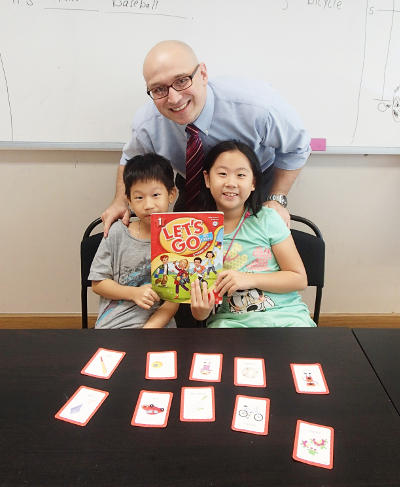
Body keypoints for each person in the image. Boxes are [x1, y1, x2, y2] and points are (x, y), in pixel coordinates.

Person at [101, 40, 311, 236]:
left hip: (251, 182)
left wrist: (276, 198)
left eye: (182, 80)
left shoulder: (258, 106)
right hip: (192, 181)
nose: (174, 99)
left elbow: (297, 147)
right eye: (159, 89)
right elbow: (130, 160)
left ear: (202, 73)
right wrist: (120, 201)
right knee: (186, 251)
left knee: (251, 246)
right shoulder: (147, 123)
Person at [190, 140, 316, 328]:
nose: (231, 183)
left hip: (287, 317)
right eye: (222, 174)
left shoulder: (268, 219)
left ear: (253, 182)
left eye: (241, 175)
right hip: (231, 323)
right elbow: (201, 314)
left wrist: (247, 279)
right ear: (207, 179)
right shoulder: (195, 231)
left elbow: (298, 278)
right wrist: (200, 310)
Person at [89, 154, 179, 329]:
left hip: (158, 328)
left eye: (155, 195)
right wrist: (133, 293)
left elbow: (172, 302)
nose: (148, 205)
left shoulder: (178, 239)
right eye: (139, 197)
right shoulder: (117, 233)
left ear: (171, 194)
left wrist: (148, 330)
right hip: (114, 326)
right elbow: (98, 283)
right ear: (128, 199)